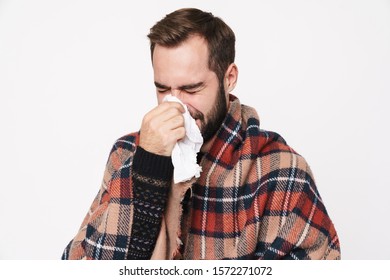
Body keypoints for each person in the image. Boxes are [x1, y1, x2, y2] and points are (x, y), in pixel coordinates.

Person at [62, 8, 340, 260]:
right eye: (162, 89)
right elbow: (82, 264)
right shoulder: (128, 152)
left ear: (228, 78)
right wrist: (149, 168)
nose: (175, 104)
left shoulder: (280, 171)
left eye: (191, 89)